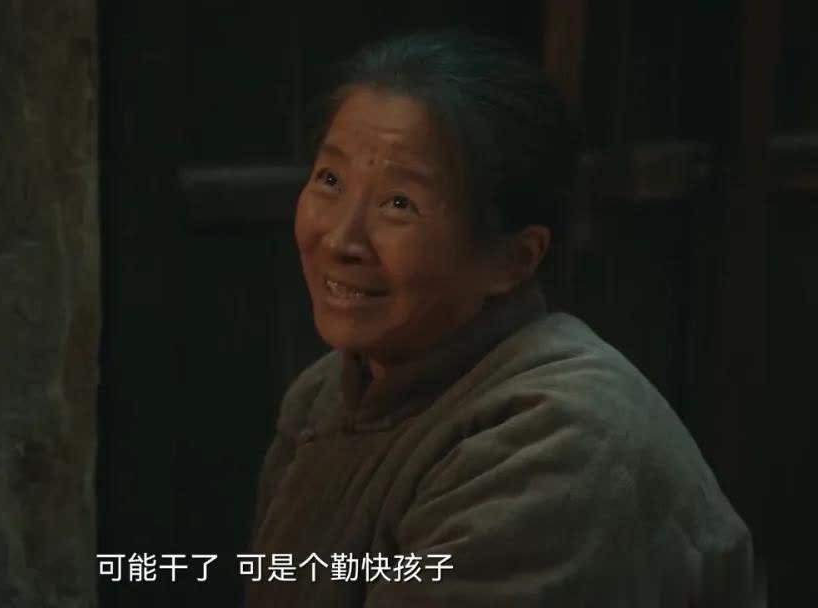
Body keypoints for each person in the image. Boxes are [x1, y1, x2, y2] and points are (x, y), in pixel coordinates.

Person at [245, 30, 759, 607]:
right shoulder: (325, 395)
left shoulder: (557, 441)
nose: (340, 239)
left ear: (514, 259)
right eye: (330, 180)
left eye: (400, 204)